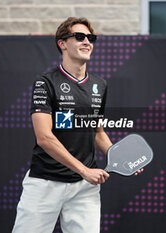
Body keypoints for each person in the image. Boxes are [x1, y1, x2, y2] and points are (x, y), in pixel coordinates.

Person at [12, 17, 142, 233]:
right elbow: (44, 137)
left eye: (90, 38)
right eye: (79, 37)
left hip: (84, 188)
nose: (87, 42)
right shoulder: (45, 82)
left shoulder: (99, 85)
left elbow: (97, 131)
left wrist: (120, 157)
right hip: (46, 181)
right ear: (62, 43)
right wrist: (84, 170)